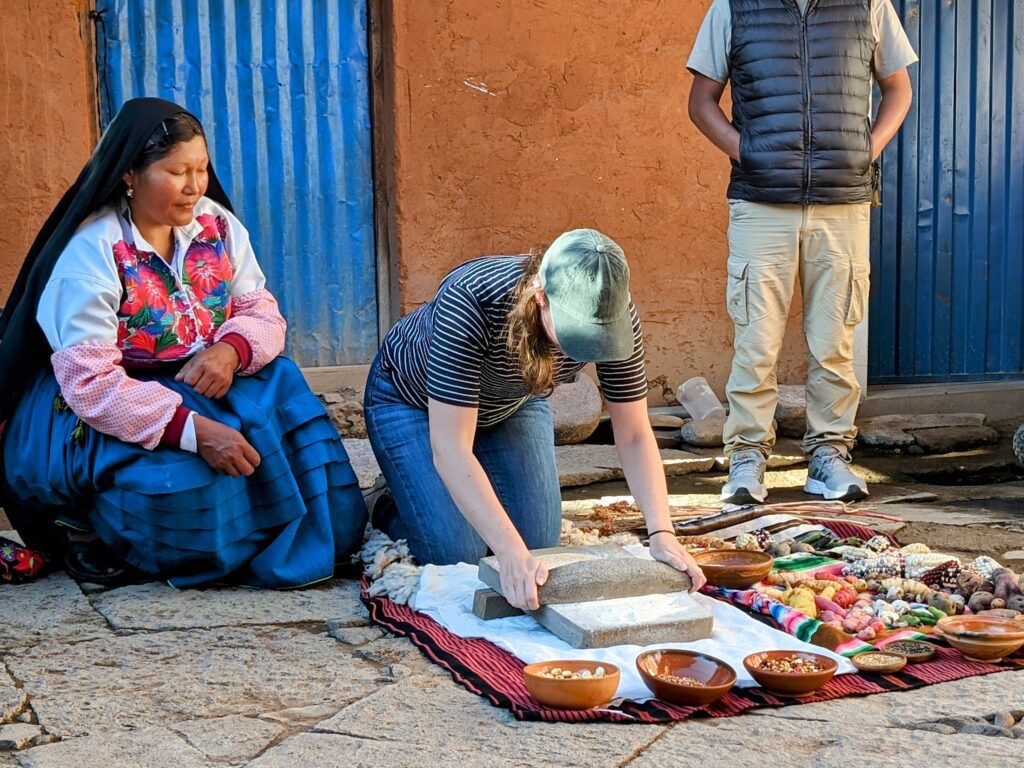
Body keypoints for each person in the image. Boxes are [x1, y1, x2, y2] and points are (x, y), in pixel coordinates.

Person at [0, 97, 368, 588]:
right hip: (110, 405)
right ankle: (93, 529)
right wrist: (193, 431)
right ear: (130, 173)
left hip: (200, 376)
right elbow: (91, 384)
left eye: (202, 169)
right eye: (177, 172)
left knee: (281, 382)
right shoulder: (93, 251)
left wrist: (231, 349)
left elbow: (260, 309)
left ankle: (291, 536)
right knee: (188, 489)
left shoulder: (216, 226)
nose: (195, 186)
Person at [364, 229, 707, 610]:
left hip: (511, 404)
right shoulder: (471, 297)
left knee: (540, 546)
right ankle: (393, 501)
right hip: (411, 401)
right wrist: (509, 552)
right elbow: (451, 447)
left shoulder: (615, 310)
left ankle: (452, 495)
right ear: (540, 297)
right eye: (578, 335)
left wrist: (662, 531)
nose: (590, 349)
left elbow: (634, 434)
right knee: (462, 553)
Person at [686, 0, 917, 504]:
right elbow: (701, 102)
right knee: (756, 340)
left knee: (835, 340)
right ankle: (746, 458)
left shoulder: (869, 6)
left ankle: (829, 456)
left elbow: (898, 88)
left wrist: (867, 148)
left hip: (842, 203)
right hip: (760, 202)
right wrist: (746, 151)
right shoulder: (733, 7)